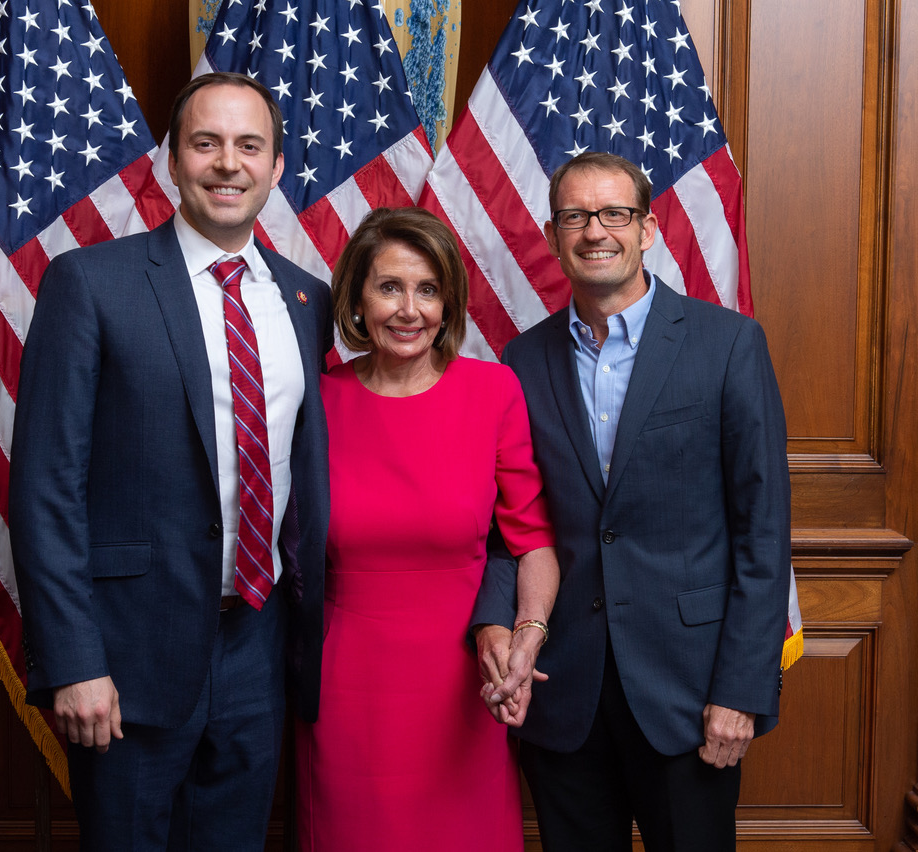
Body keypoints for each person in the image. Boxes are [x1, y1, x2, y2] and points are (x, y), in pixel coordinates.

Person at [8, 73, 331, 851]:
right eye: (206, 143)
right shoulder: (91, 283)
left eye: (249, 146)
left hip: (258, 644)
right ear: (172, 162)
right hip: (126, 656)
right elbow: (45, 489)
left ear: (276, 166)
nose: (229, 163)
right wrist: (73, 660)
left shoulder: (307, 298)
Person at [476, 152, 792, 852]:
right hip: (565, 691)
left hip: (691, 691)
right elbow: (511, 525)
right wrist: (497, 629)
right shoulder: (521, 363)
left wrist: (741, 691)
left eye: (614, 213)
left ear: (647, 229)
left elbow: (762, 535)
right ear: (555, 235)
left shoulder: (728, 345)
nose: (596, 231)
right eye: (576, 217)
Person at [293, 207, 559, 851]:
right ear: (357, 298)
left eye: (428, 289)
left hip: (466, 679)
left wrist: (526, 637)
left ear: (449, 304)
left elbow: (533, 542)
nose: (409, 309)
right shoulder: (317, 399)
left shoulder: (493, 391)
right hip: (343, 684)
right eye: (389, 287)